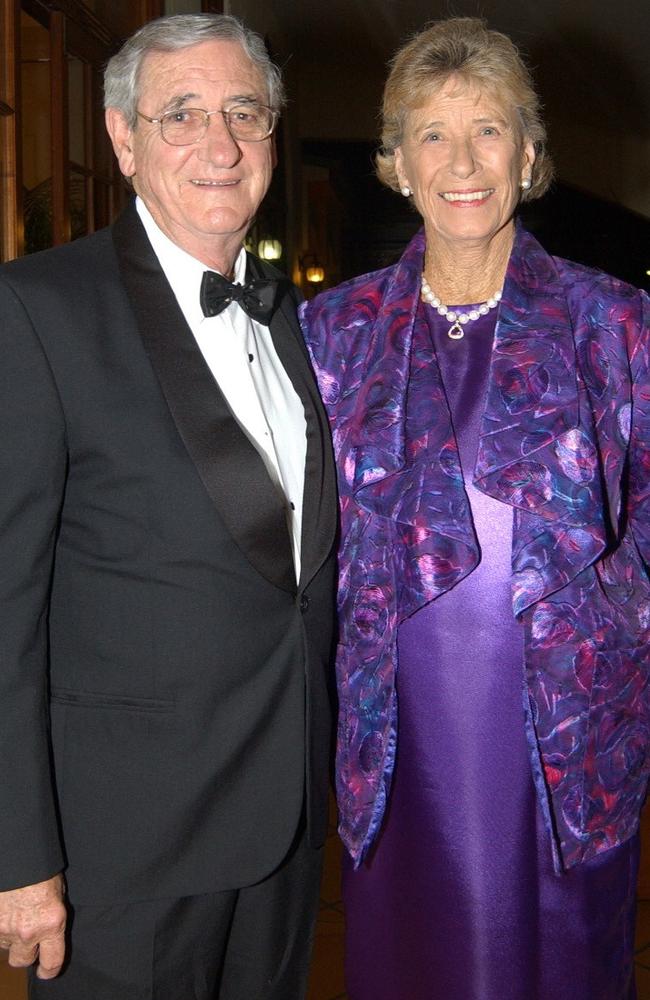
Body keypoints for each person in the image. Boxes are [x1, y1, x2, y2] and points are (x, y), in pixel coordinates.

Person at [300, 16, 650, 1000]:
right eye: (431, 133)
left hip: (564, 728)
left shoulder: (612, 320)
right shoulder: (331, 331)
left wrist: (622, 611)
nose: (461, 161)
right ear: (395, 162)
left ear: (528, 152)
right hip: (394, 731)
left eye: (486, 129)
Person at [0, 13, 337, 999]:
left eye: (243, 112)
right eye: (179, 113)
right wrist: (21, 855)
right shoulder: (36, 310)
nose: (218, 144)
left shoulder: (292, 316)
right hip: (120, 856)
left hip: (282, 834)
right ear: (121, 136)